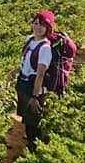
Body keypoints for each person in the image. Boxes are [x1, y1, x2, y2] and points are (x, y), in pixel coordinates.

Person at [6, 9, 54, 151]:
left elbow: (39, 75)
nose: (38, 27)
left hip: (34, 89)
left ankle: (36, 149)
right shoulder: (29, 40)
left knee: (33, 122)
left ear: (48, 28)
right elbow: (25, 63)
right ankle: (33, 144)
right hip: (24, 84)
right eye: (36, 23)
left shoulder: (45, 49)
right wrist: (13, 72)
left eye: (42, 25)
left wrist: (35, 96)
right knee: (27, 120)